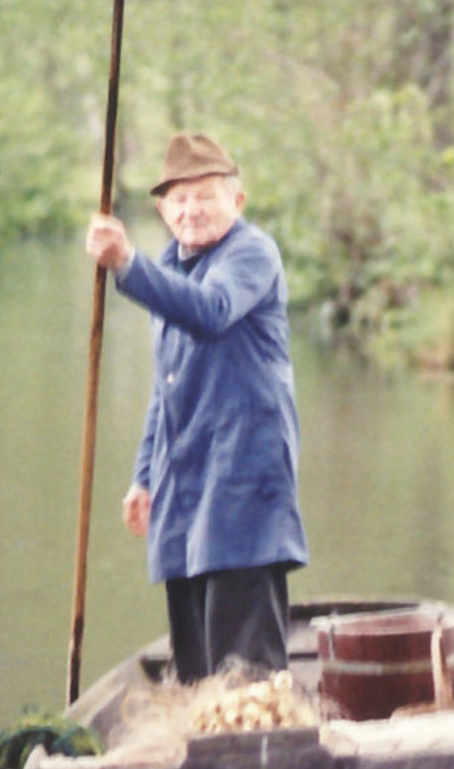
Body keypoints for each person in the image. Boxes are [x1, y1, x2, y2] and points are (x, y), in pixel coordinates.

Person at [84, 132, 307, 683]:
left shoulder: (252, 254)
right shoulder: (172, 266)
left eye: (206, 195)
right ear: (162, 210)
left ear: (238, 201)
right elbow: (168, 388)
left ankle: (260, 733)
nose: (191, 210)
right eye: (179, 199)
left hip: (243, 488)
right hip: (184, 494)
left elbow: (211, 311)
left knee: (245, 680)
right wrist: (144, 476)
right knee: (196, 674)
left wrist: (127, 263)